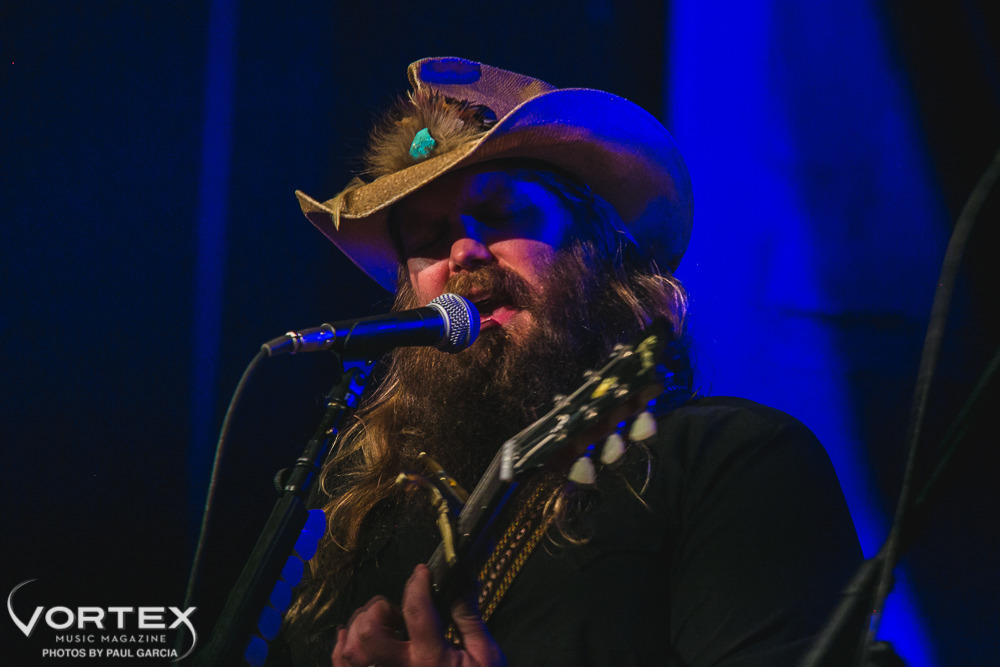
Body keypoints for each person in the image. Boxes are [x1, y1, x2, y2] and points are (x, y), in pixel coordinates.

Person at [274, 57, 862, 666]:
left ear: (596, 250)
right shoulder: (356, 519)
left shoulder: (732, 460)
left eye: (499, 214)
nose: (463, 252)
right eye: (426, 240)